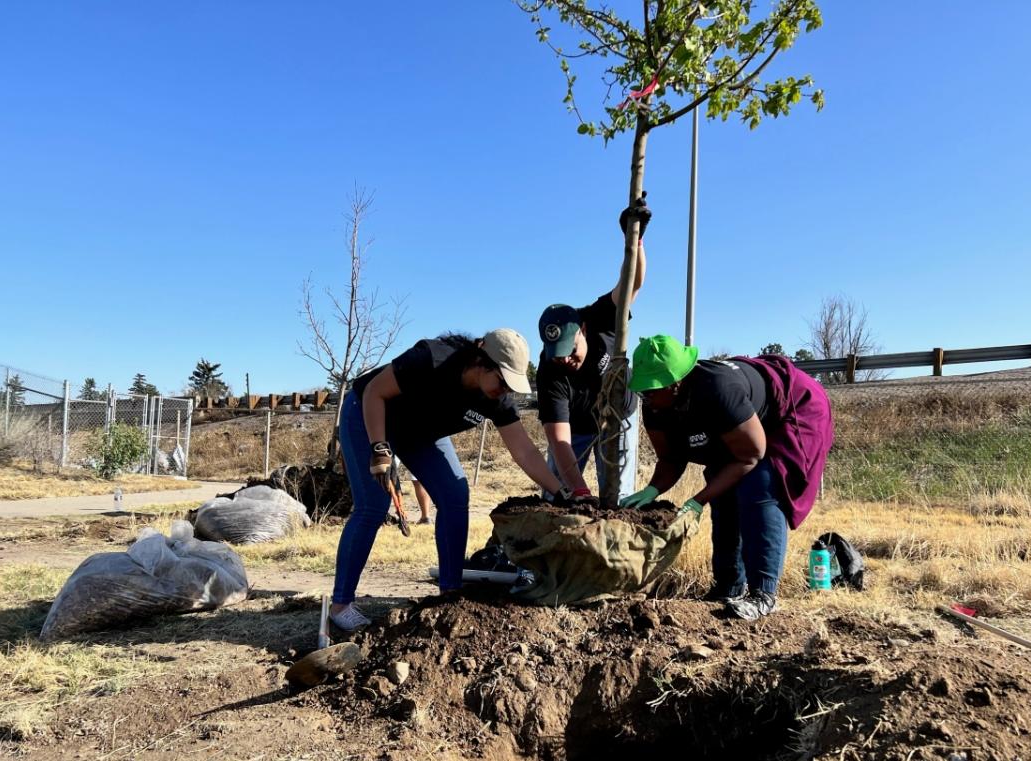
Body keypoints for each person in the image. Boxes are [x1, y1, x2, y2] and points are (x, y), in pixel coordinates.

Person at [329, 329, 571, 631]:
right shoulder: (432, 359)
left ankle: (450, 592)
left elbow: (523, 451)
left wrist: (560, 492)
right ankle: (340, 605)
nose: (505, 391)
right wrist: (380, 448)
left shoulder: (498, 399)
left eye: (512, 385)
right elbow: (374, 392)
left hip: (421, 433)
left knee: (455, 496)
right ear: (481, 360)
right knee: (373, 506)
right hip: (370, 414)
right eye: (502, 380)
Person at [622, 335, 834, 621]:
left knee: (760, 486)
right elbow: (672, 458)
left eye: (651, 391)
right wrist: (652, 489)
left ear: (674, 384)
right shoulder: (656, 406)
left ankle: (763, 594)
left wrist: (697, 500)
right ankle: (729, 587)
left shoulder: (716, 390)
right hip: (740, 429)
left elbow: (750, 455)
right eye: (642, 392)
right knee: (722, 495)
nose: (645, 398)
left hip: (791, 411)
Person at [535, 197, 651, 500]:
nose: (567, 360)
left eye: (571, 349)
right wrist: (580, 491)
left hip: (617, 417)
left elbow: (632, 283)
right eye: (558, 354)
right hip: (574, 427)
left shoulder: (599, 317)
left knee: (617, 495)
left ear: (583, 329)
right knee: (558, 494)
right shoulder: (550, 370)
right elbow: (559, 440)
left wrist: (634, 240)